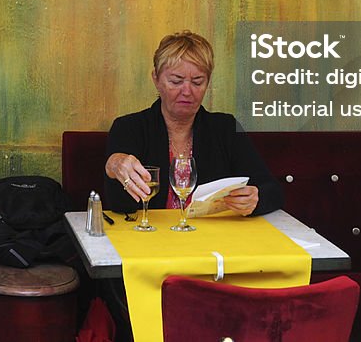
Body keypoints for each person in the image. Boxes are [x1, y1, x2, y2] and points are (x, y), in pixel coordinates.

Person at [104, 30, 282, 217]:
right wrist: (113, 167)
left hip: (212, 240)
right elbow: (120, 205)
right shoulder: (129, 128)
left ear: (208, 83)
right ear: (156, 79)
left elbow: (272, 190)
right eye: (176, 81)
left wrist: (255, 198)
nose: (187, 91)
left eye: (197, 82)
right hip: (151, 239)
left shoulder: (225, 128)